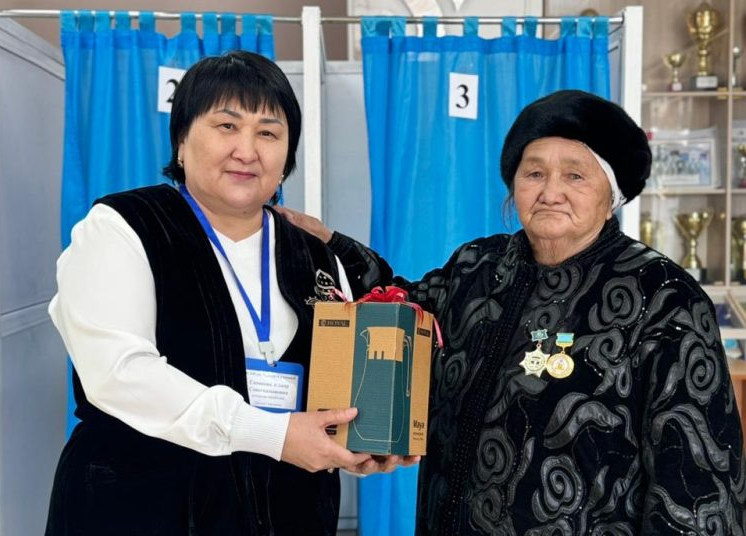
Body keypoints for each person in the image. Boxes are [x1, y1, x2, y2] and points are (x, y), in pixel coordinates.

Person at [278, 90, 746, 534]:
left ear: (613, 196)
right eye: (534, 173)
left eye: (576, 175)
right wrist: (328, 244)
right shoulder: (478, 267)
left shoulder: (663, 298)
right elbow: (398, 308)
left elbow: (699, 485)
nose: (551, 191)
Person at [45, 50, 412, 536]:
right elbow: (120, 374)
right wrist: (274, 434)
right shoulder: (124, 228)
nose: (247, 150)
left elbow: (336, 389)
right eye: (226, 126)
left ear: (287, 156)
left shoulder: (315, 255)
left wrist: (358, 442)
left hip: (288, 513)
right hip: (141, 508)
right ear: (181, 140)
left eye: (268, 133)